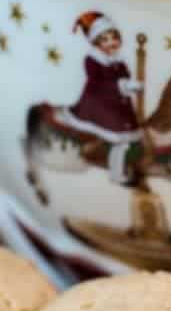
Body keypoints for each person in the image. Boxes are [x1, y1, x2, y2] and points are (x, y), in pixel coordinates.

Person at [55, 10, 144, 184]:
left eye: (114, 37)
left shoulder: (119, 60)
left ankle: (118, 169)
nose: (111, 42)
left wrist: (130, 85)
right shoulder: (92, 60)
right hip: (96, 105)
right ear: (96, 42)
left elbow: (124, 76)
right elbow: (97, 85)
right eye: (105, 39)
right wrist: (123, 85)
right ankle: (114, 173)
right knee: (118, 140)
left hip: (118, 105)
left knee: (124, 140)